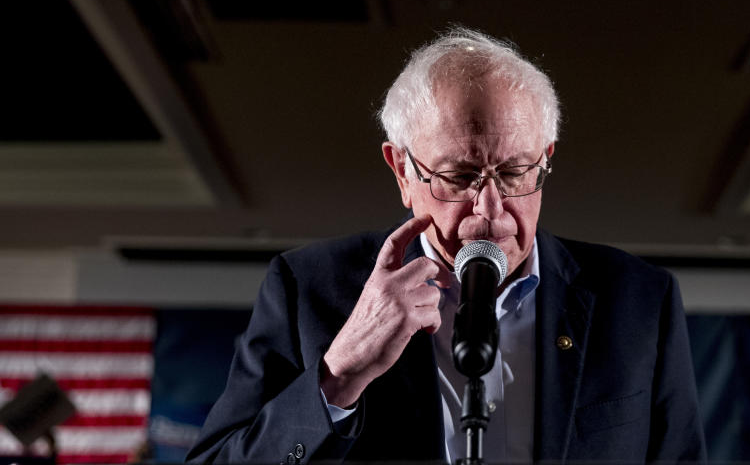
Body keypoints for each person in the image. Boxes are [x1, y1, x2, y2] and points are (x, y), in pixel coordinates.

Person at [186, 27, 705, 463]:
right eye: (459, 177)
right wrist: (339, 374)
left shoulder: (639, 300)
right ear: (402, 170)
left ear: (546, 158)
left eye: (516, 171)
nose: (491, 210)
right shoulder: (308, 288)